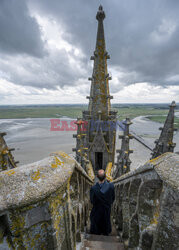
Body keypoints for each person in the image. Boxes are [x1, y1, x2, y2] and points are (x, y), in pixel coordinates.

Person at [90, 169, 115, 235]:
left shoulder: (93, 188)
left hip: (97, 208)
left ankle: (97, 231)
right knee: (106, 219)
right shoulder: (111, 186)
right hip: (107, 208)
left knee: (95, 217)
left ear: (97, 177)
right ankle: (106, 231)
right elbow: (113, 198)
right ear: (105, 176)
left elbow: (92, 200)